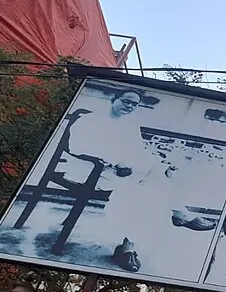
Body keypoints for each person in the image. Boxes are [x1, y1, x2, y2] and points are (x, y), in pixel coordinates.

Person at [65, 89, 178, 273]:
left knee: (158, 181)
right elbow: (77, 146)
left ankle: (129, 246)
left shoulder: (131, 127)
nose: (130, 106)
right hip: (87, 169)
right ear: (114, 98)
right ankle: (176, 215)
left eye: (134, 104)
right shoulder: (90, 119)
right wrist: (116, 162)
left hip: (116, 173)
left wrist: (161, 164)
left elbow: (139, 153)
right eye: (126, 101)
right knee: (143, 189)